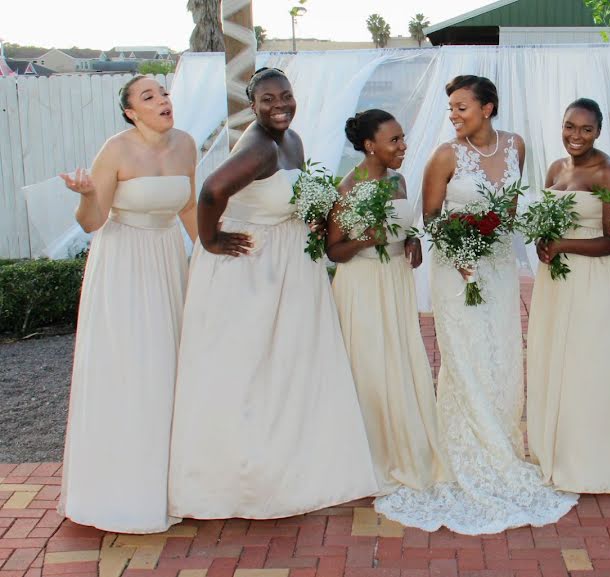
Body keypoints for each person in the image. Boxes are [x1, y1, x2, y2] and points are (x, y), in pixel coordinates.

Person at [167, 68, 377, 519]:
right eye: (267, 99)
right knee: (247, 370)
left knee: (287, 366)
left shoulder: (292, 139)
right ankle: (242, 478)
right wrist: (209, 240)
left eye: (285, 96)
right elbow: (210, 192)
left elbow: (295, 191)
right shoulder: (259, 148)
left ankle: (292, 458)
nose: (279, 104)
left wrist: (313, 216)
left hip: (287, 263)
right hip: (250, 269)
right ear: (252, 104)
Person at [374, 75, 577, 535]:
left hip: (500, 265)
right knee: (463, 355)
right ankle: (463, 449)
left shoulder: (516, 147)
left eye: (461, 106)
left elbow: (506, 208)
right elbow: (430, 215)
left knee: (501, 352)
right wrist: (462, 246)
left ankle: (502, 442)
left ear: (488, 108)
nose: (454, 115)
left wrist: (492, 235)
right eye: (451, 108)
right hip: (455, 266)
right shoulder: (445, 155)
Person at [58, 75, 197, 533]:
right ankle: (121, 489)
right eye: (149, 96)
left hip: (167, 259)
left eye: (164, 92)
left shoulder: (186, 145)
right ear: (131, 113)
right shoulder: (115, 150)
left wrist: (212, 260)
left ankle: (174, 484)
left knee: (172, 366)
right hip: (123, 265)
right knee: (134, 369)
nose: (162, 100)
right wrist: (84, 197)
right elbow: (93, 221)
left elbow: (189, 209)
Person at [327, 109, 446, 495]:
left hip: (395, 280)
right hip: (362, 284)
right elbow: (335, 250)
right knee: (371, 364)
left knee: (398, 359)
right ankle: (374, 450)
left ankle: (406, 440)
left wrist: (411, 242)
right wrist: (370, 238)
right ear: (369, 146)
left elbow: (405, 227)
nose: (403, 146)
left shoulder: (399, 180)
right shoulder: (349, 188)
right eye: (394, 140)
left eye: (402, 138)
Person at [526, 98, 610, 494]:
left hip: (591, 280)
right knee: (554, 358)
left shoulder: (608, 173)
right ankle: (554, 447)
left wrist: (563, 243)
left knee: (586, 364)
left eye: (586, 129)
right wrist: (542, 243)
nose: (576, 136)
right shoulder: (555, 168)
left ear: (599, 131)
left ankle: (587, 459)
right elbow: (547, 222)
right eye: (570, 126)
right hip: (555, 281)